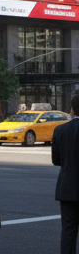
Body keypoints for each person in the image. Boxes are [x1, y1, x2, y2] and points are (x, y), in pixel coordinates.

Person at [52, 92, 79, 254]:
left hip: (67, 187)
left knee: (68, 232)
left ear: (72, 110)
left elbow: (56, 160)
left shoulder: (59, 130)